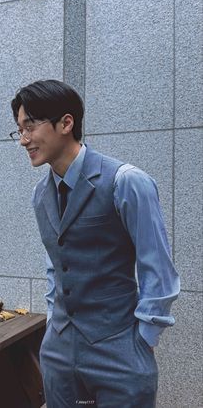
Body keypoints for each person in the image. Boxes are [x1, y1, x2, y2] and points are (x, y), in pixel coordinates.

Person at [10, 79, 180, 408]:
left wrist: (143, 341)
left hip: (119, 351)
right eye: (18, 129)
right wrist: (52, 322)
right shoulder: (40, 195)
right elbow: (55, 262)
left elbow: (156, 266)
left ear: (66, 123)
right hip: (59, 354)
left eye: (30, 126)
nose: (23, 139)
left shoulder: (126, 181)